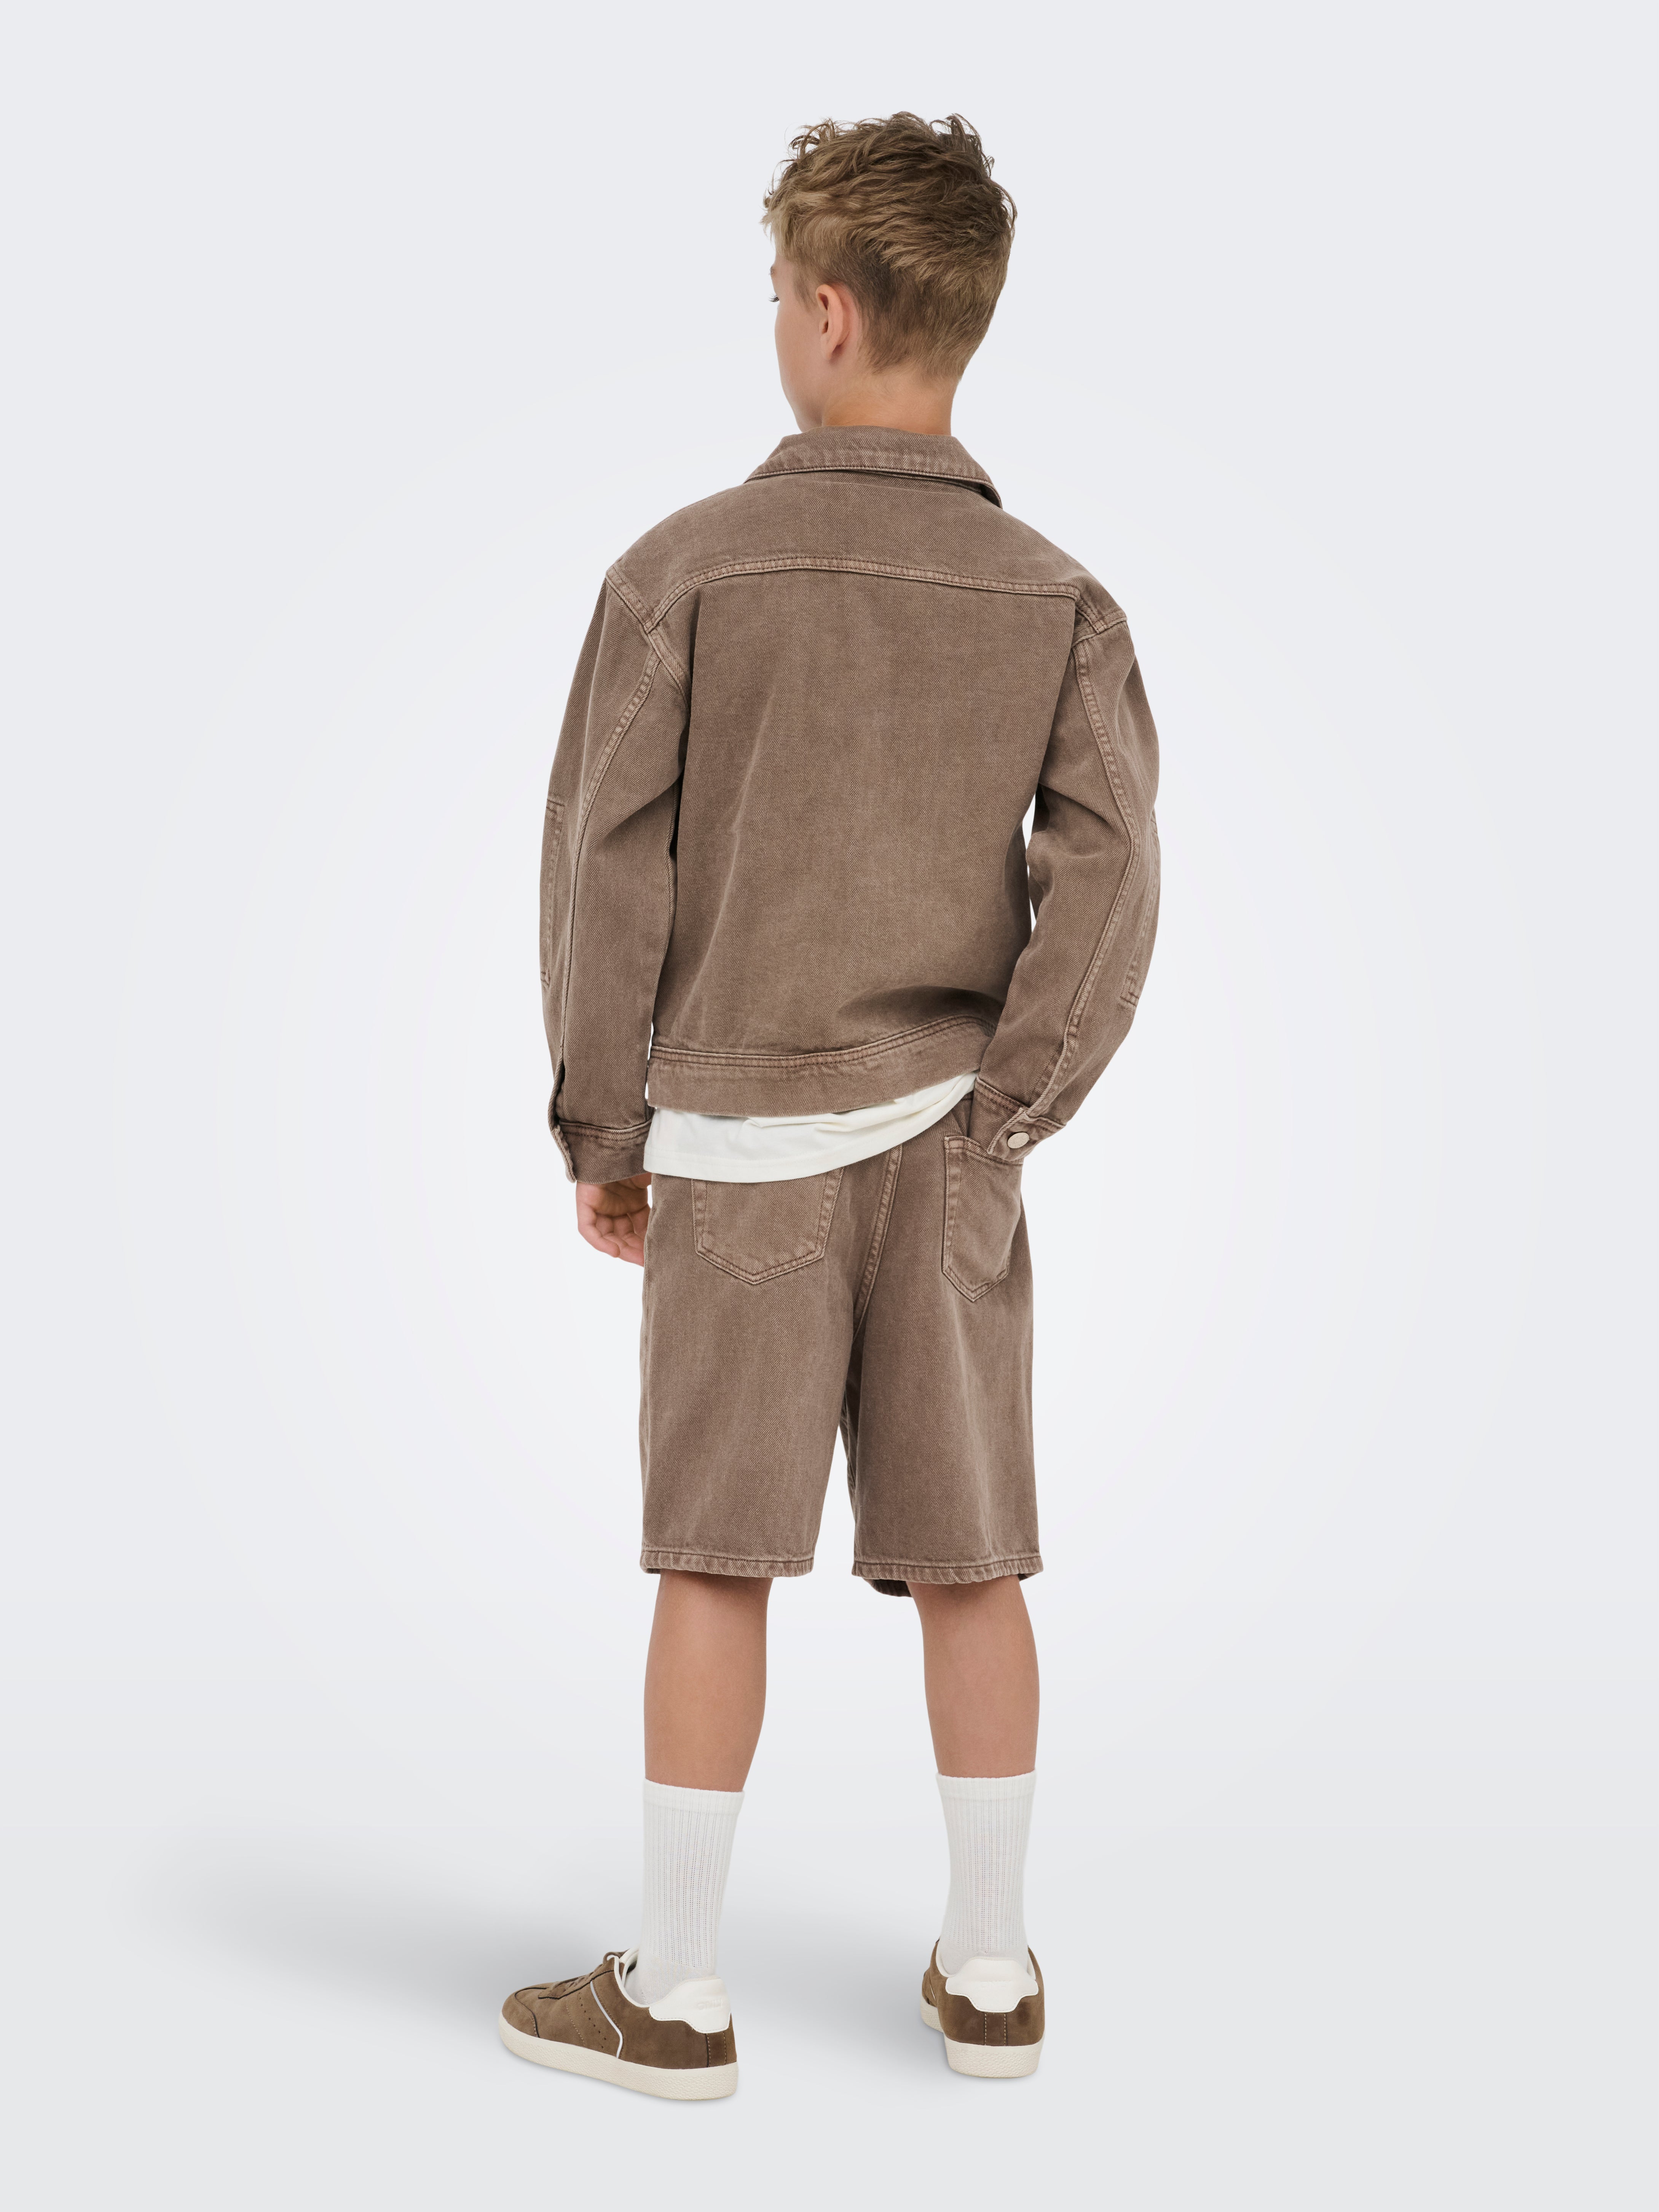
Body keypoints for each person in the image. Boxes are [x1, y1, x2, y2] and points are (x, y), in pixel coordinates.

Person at [499, 112, 1160, 2099]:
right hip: (951, 1145)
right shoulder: (1057, 598)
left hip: (736, 1151)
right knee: (974, 1558)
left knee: (716, 1557)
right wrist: (1007, 1109)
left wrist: (603, 1129)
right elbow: (1111, 875)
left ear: (827, 313)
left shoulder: (683, 573)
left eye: (776, 293)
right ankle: (993, 1970)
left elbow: (601, 867)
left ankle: (677, 1994)